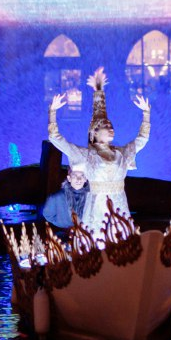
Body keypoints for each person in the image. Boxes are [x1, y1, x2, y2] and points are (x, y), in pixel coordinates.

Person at [48, 66, 150, 232]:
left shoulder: (121, 153)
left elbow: (142, 139)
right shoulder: (86, 155)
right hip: (97, 207)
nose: (110, 128)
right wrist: (52, 112)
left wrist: (146, 114)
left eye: (111, 125)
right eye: (105, 126)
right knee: (96, 240)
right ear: (95, 132)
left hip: (119, 205)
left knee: (121, 240)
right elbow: (55, 138)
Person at [42, 164, 90, 229]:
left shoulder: (90, 198)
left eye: (82, 176)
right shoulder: (57, 197)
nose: (78, 179)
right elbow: (48, 215)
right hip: (63, 231)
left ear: (85, 179)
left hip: (85, 231)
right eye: (74, 176)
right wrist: (61, 223)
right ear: (69, 178)